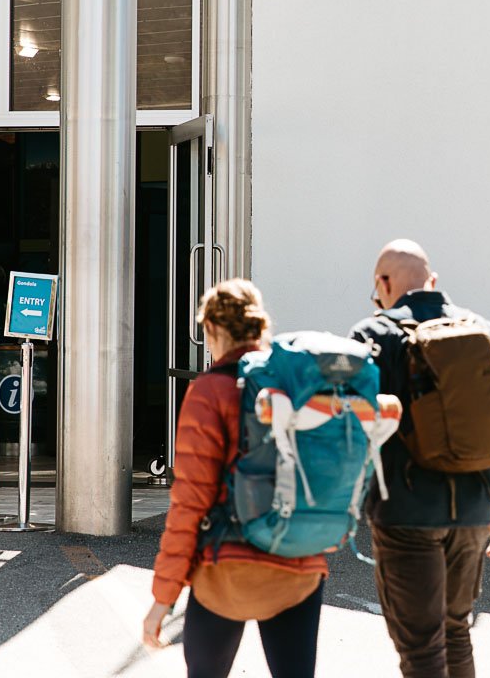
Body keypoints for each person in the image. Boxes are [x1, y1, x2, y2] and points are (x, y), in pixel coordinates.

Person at [350, 239, 490, 678]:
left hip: (405, 512)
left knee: (420, 646)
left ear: (383, 283)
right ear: (433, 283)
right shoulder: (486, 333)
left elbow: (349, 424)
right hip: (474, 514)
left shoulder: (373, 335)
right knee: (456, 631)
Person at [143, 278, 328, 678]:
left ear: (211, 329)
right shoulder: (297, 384)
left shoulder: (209, 391)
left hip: (227, 567)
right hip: (299, 563)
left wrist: (164, 597)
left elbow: (190, 500)